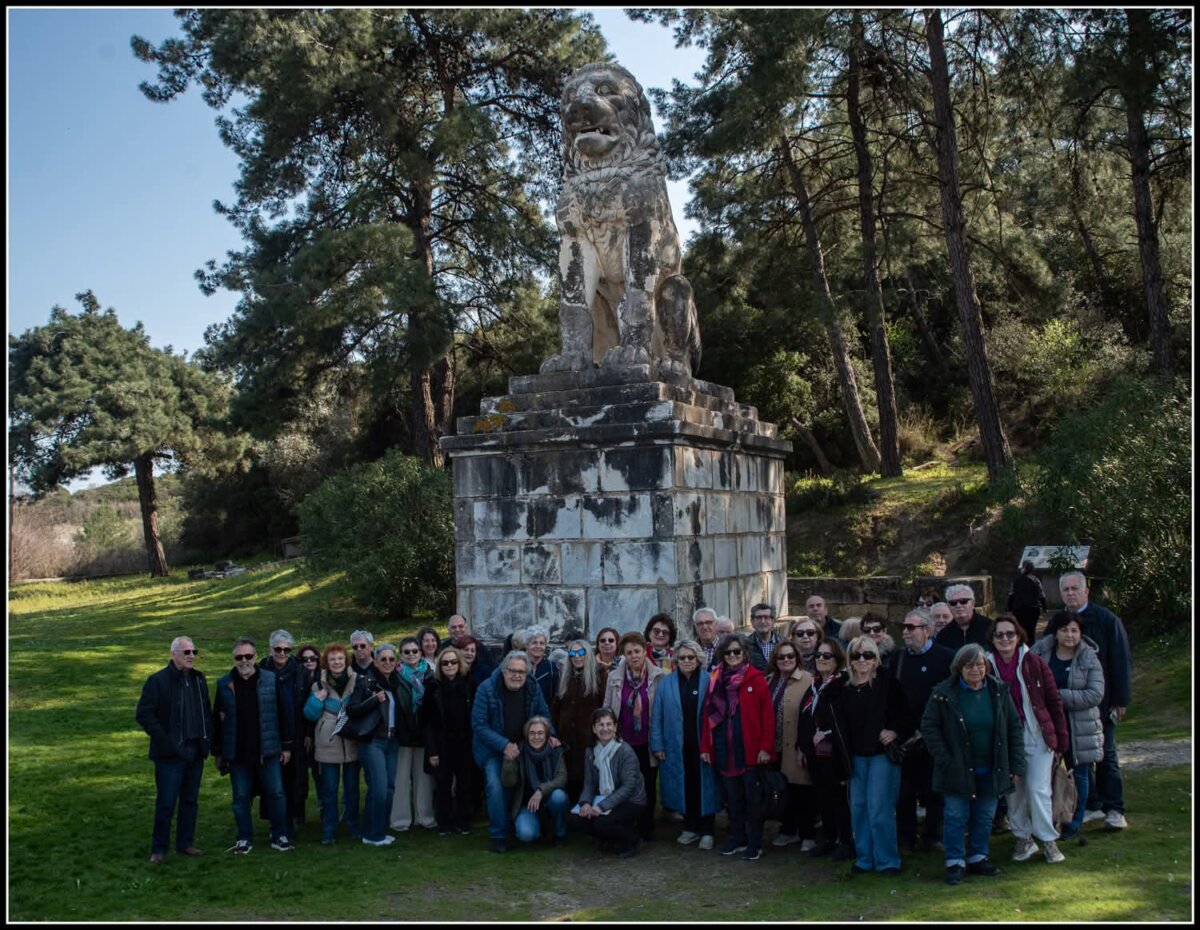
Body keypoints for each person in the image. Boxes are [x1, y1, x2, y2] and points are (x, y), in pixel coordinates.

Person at [921, 643, 1026, 885]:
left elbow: (1013, 729)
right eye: (969, 665)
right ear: (959, 668)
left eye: (980, 664)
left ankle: (979, 855)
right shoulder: (943, 693)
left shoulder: (999, 691)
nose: (976, 669)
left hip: (992, 766)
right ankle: (955, 861)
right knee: (956, 816)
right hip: (956, 768)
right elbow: (929, 727)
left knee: (985, 815)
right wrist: (945, 759)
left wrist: (1016, 766)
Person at [1051, 571, 1132, 831]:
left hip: (1100, 702)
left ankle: (1114, 808)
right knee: (1077, 758)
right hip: (1067, 707)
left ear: (1086, 591)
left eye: (1075, 588)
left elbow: (1120, 662)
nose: (1071, 593)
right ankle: (1091, 805)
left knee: (1106, 754)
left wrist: (1121, 699)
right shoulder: (1056, 622)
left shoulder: (1107, 620)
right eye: (1066, 590)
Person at [986, 616, 1069, 865]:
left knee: (1038, 788)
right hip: (1004, 738)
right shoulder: (985, 665)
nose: (1004, 639)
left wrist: (1060, 739)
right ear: (992, 638)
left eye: (1010, 634)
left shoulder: (1034, 662)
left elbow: (1053, 701)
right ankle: (1023, 838)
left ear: (1019, 636)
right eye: (999, 635)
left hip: (1035, 733)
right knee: (1013, 791)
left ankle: (1048, 840)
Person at [833, 635, 913, 876]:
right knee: (858, 807)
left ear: (876, 658)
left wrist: (894, 731)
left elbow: (908, 716)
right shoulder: (842, 687)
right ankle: (865, 858)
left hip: (881, 755)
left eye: (867, 655)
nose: (862, 660)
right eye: (856, 655)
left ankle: (888, 860)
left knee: (879, 809)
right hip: (855, 756)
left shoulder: (889, 683)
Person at [212, 637, 294, 853]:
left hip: (268, 748)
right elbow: (217, 721)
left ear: (255, 656)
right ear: (233, 659)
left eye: (248, 656)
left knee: (276, 793)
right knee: (240, 797)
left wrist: (286, 746)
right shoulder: (224, 684)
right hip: (238, 752)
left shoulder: (270, 679)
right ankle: (244, 838)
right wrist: (218, 752)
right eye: (239, 657)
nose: (244, 661)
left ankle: (279, 834)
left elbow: (283, 713)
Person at [136, 635, 213, 863]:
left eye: (193, 652)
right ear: (173, 654)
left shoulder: (199, 679)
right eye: (186, 652)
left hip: (195, 749)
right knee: (166, 803)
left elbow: (206, 712)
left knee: (190, 801)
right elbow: (144, 714)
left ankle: (185, 843)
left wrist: (206, 741)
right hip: (170, 754)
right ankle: (159, 848)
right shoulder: (157, 681)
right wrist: (166, 741)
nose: (191, 656)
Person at [1031, 613, 1105, 841]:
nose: (1069, 635)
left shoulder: (1089, 657)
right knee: (1044, 775)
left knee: (1079, 774)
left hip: (1079, 726)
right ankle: (1049, 820)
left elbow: (1095, 694)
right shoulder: (1039, 653)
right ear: (1056, 632)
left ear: (1081, 633)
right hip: (1046, 724)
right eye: (1064, 630)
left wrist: (1058, 697)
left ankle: (1074, 822)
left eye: (1074, 630)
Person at [701, 633, 775, 861]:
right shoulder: (715, 679)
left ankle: (754, 842)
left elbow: (767, 717)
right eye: (728, 653)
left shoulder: (756, 679)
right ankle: (736, 838)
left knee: (752, 800)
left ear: (744, 653)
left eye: (737, 652)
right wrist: (705, 746)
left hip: (750, 749)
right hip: (725, 748)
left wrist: (765, 747)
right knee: (732, 799)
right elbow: (707, 715)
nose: (732, 656)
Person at [472, 651, 554, 853]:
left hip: (524, 747)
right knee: (496, 786)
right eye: (513, 671)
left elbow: (543, 714)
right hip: (493, 749)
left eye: (522, 672)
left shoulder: (532, 688)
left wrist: (551, 733)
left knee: (523, 784)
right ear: (503, 670)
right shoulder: (487, 688)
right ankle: (498, 835)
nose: (517, 675)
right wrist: (504, 745)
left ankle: (529, 826)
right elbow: (479, 725)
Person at [889, 608, 955, 854]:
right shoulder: (898, 659)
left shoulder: (946, 658)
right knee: (904, 792)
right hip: (906, 736)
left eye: (911, 627)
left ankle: (933, 835)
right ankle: (905, 838)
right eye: (904, 627)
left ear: (927, 630)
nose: (905, 632)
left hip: (936, 734)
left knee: (934, 789)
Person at [650, 639, 720, 851]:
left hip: (704, 745)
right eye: (682, 658)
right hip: (676, 746)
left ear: (699, 659)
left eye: (691, 657)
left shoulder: (710, 681)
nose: (687, 661)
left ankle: (707, 829)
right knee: (684, 785)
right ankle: (690, 826)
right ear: (676, 660)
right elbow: (657, 717)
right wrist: (658, 744)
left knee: (706, 786)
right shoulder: (666, 683)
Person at [603, 631, 664, 841]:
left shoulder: (657, 676)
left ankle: (647, 826)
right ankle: (627, 824)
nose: (634, 656)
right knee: (626, 784)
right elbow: (608, 708)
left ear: (644, 650)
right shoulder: (615, 678)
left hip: (648, 741)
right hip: (624, 742)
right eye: (629, 653)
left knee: (648, 784)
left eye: (637, 651)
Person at [797, 637, 854, 860]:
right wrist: (802, 747)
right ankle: (829, 838)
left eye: (827, 655)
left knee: (840, 797)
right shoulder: (815, 685)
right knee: (824, 797)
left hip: (836, 753)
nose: (821, 659)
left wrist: (828, 732)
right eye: (819, 655)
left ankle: (845, 841)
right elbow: (806, 717)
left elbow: (845, 719)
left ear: (837, 659)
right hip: (815, 753)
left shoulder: (842, 684)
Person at [568, 707, 648, 858]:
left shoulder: (625, 751)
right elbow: (589, 784)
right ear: (594, 728)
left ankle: (632, 839)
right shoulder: (590, 751)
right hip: (604, 797)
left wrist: (601, 806)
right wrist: (585, 803)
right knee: (576, 820)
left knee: (601, 823)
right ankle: (607, 839)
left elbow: (629, 787)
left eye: (609, 724)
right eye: (600, 724)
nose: (605, 729)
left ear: (615, 727)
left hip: (631, 800)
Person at [346, 642, 403, 847]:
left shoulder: (397, 682)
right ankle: (372, 834)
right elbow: (351, 709)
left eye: (391, 659)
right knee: (378, 789)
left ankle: (378, 830)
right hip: (373, 742)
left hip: (392, 742)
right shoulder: (366, 682)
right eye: (383, 659)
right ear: (376, 662)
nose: (387, 662)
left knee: (388, 789)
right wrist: (373, 700)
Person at [302, 642, 360, 844]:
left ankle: (353, 824)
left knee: (352, 788)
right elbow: (309, 714)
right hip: (328, 743)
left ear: (346, 661)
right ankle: (329, 828)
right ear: (327, 661)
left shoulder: (356, 681)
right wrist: (317, 700)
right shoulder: (318, 685)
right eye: (333, 659)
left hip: (351, 741)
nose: (337, 662)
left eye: (340, 658)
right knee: (329, 789)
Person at [766, 639, 816, 851]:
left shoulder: (808, 680)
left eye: (790, 656)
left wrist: (804, 747)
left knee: (801, 791)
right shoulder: (769, 680)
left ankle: (807, 834)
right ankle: (787, 830)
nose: (786, 660)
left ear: (797, 658)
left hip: (797, 745)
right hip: (774, 746)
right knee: (781, 790)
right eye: (781, 657)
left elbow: (813, 716)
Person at [422, 645, 476, 836]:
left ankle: (464, 822)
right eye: (445, 663)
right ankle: (443, 823)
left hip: (464, 742)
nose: (450, 665)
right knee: (442, 785)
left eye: (454, 661)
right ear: (440, 665)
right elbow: (427, 722)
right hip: (441, 743)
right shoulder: (432, 686)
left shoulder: (469, 684)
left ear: (459, 663)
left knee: (464, 784)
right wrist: (432, 751)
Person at [259, 629, 307, 832]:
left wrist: (308, 734)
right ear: (270, 649)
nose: (282, 653)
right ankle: (275, 820)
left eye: (287, 649)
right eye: (278, 649)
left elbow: (306, 704)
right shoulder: (260, 670)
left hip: (295, 732)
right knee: (271, 779)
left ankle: (292, 817)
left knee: (293, 778)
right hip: (268, 732)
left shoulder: (300, 672)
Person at [552, 639, 607, 803]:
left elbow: (604, 706)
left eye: (581, 653)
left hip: (588, 738)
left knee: (587, 777)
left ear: (587, 654)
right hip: (566, 738)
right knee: (569, 777)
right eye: (573, 653)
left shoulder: (598, 676)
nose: (577, 657)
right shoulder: (564, 677)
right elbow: (556, 707)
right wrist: (554, 732)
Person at [390, 636, 436, 832]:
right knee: (400, 779)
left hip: (424, 732)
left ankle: (424, 817)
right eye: (406, 652)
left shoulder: (430, 674)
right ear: (401, 654)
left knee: (424, 778)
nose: (411, 655)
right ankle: (400, 820)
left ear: (420, 653)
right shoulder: (394, 675)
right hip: (402, 733)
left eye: (414, 651)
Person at [506, 716, 569, 846]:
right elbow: (509, 782)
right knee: (526, 835)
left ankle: (559, 834)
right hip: (527, 804)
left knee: (559, 797)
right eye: (532, 733)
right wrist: (509, 761)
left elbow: (562, 778)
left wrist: (541, 790)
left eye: (540, 733)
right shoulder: (520, 751)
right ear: (526, 735)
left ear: (546, 735)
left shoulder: (555, 750)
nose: (536, 737)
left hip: (549, 800)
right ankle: (540, 828)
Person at [296, 644, 323, 818]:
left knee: (320, 775)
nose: (309, 662)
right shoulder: (297, 679)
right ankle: (298, 814)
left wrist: (311, 735)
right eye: (304, 659)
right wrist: (306, 734)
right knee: (299, 777)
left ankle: (324, 810)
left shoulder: (323, 679)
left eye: (312, 658)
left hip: (320, 734)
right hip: (300, 733)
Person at [934, 585, 991, 650]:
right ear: (949, 606)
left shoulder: (989, 627)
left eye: (963, 601)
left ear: (973, 603)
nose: (958, 605)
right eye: (953, 603)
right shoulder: (943, 635)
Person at [1008, 560, 1047, 645]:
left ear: (1024, 568)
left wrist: (1009, 607)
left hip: (1019, 609)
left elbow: (1011, 594)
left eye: (1022, 567)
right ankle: (1031, 648)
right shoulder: (1036, 580)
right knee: (1031, 630)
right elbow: (1041, 595)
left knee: (1020, 629)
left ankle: (1022, 647)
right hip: (1033, 609)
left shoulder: (1016, 580)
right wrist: (1044, 607)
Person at [525, 626, 559, 707]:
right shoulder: (518, 665)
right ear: (527, 645)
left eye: (542, 643)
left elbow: (556, 697)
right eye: (534, 642)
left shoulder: (551, 667)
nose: (538, 646)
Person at [747, 603, 782, 671]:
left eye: (766, 617)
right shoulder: (744, 644)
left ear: (773, 621)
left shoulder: (784, 643)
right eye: (759, 618)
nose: (763, 621)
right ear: (752, 622)